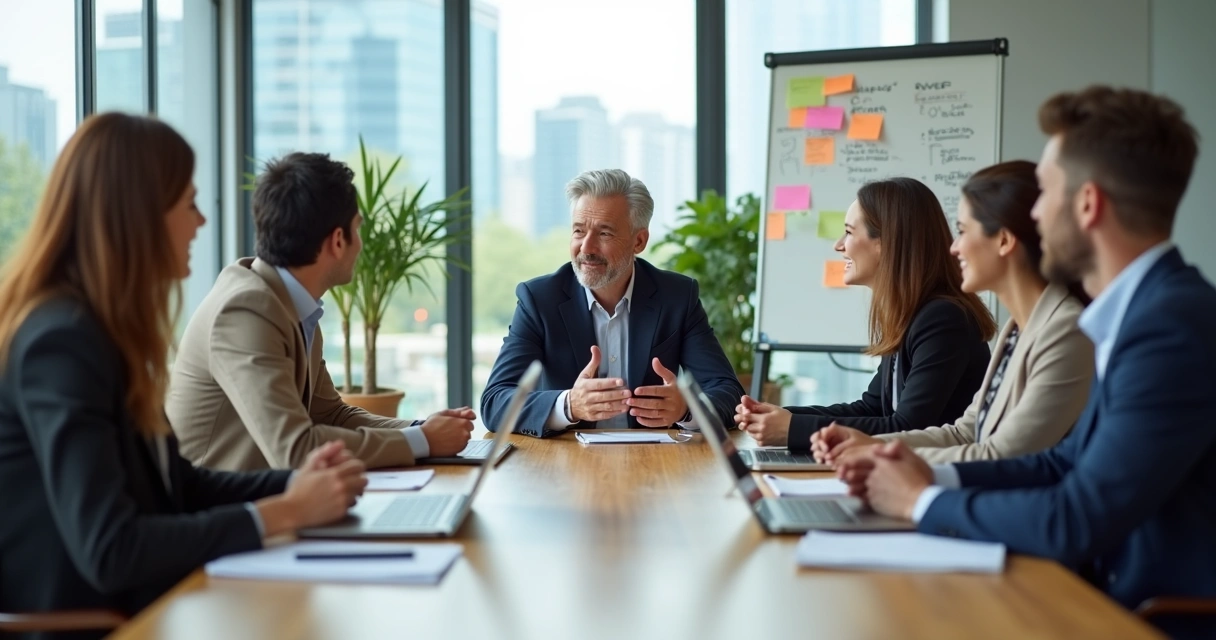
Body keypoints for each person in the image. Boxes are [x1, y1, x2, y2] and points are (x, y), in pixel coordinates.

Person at [839, 86, 1216, 638]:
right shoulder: (1142, 312)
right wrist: (931, 475)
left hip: (1138, 615)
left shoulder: (1169, 327)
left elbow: (1077, 516)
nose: (1035, 213)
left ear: (1088, 204)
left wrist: (921, 501)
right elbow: (1060, 464)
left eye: (1046, 192)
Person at [0, 113, 366, 633]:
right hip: (103, 622)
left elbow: (179, 485)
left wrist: (297, 483)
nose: (201, 221)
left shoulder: (104, 330)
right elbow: (113, 548)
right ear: (140, 214)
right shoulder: (61, 341)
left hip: (154, 604)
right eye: (189, 202)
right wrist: (285, 512)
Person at [167, 152, 474, 471]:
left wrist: (424, 430)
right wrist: (422, 440)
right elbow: (297, 449)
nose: (361, 244)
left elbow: (331, 415)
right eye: (359, 230)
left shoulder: (288, 302)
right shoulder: (245, 310)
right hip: (222, 512)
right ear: (338, 241)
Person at [811, 161, 1093, 465]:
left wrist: (881, 456)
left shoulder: (1065, 330)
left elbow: (1002, 457)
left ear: (1003, 240)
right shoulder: (1019, 329)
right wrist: (868, 444)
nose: (954, 248)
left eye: (961, 231)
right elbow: (965, 433)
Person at [735, 177, 996, 450]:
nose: (839, 245)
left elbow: (907, 427)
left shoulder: (942, 319)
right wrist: (784, 416)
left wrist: (792, 430)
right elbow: (873, 408)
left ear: (885, 242)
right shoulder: (913, 312)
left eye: (848, 232)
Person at [481, 169, 744, 438]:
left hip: (657, 463)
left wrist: (686, 409)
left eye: (604, 233)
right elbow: (495, 402)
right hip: (564, 465)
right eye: (578, 231)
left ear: (638, 241)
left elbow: (729, 392)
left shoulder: (677, 296)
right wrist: (569, 405)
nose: (586, 247)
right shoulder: (539, 299)